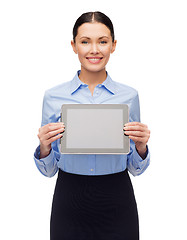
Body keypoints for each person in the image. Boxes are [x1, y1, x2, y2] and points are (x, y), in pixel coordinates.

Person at [34, 11, 150, 240]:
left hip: (117, 197)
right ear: (74, 45)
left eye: (103, 41)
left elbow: (135, 168)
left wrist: (141, 147)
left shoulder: (129, 96)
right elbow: (49, 171)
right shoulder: (53, 97)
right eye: (85, 41)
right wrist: (44, 148)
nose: (94, 49)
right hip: (70, 197)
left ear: (113, 45)